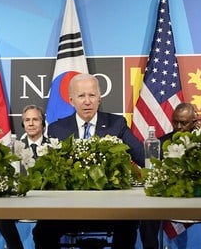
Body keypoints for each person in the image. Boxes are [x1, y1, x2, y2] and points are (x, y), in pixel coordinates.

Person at [32, 74, 144, 249]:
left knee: (129, 225)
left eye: (92, 95)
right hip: (68, 210)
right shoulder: (57, 129)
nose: (87, 101)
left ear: (99, 99)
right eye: (81, 96)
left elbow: (143, 156)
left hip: (110, 209)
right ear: (71, 100)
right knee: (41, 232)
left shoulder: (116, 124)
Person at [140, 102, 201, 249]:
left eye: (184, 123)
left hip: (198, 197)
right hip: (168, 198)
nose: (179, 127)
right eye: (175, 121)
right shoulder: (161, 143)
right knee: (147, 213)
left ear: (194, 122)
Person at [0, 105, 48, 249]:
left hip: (47, 201)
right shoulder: (14, 148)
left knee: (46, 229)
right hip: (22, 200)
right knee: (1, 216)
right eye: (27, 120)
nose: (31, 123)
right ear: (23, 124)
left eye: (35, 119)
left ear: (42, 123)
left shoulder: (54, 146)